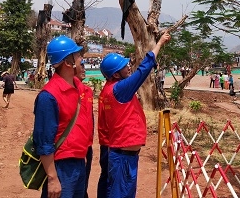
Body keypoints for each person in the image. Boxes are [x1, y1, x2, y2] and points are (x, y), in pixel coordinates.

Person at [98, 33, 170, 198]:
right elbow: (144, 70)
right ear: (116, 74)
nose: (129, 66)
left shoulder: (108, 89)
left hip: (120, 152)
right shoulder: (120, 89)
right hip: (123, 156)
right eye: (124, 66)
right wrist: (159, 43)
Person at [33, 35, 93, 198]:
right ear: (68, 63)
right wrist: (52, 178)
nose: (81, 59)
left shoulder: (78, 88)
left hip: (79, 163)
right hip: (61, 167)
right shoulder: (49, 96)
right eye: (78, 56)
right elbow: (44, 141)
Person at [77, 61, 94, 198]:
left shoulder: (88, 91)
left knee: (83, 186)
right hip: (75, 149)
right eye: (81, 65)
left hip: (87, 146)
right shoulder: (70, 90)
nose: (84, 69)